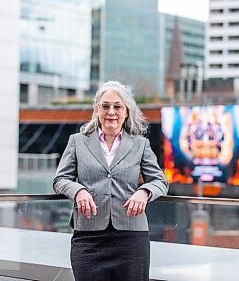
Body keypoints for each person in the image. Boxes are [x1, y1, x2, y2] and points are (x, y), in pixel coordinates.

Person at [53, 81, 169, 281]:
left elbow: (160, 181)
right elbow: (60, 179)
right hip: (88, 238)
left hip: (131, 239)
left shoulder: (141, 144)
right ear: (97, 109)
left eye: (117, 106)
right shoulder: (78, 141)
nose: (111, 112)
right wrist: (78, 191)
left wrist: (144, 192)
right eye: (105, 106)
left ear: (126, 112)